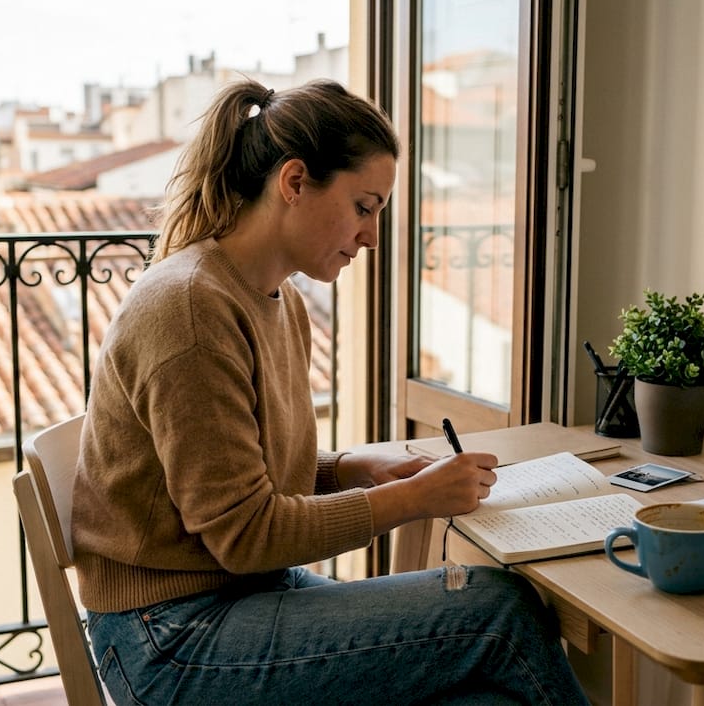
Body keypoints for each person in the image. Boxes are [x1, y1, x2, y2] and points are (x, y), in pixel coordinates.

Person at [71, 78, 590, 705]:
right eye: (364, 207)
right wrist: (412, 499)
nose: (372, 237)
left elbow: (229, 477)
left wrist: (350, 468)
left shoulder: (276, 299)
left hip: (237, 597)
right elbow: (244, 534)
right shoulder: (190, 311)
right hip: (169, 639)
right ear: (293, 183)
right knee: (500, 614)